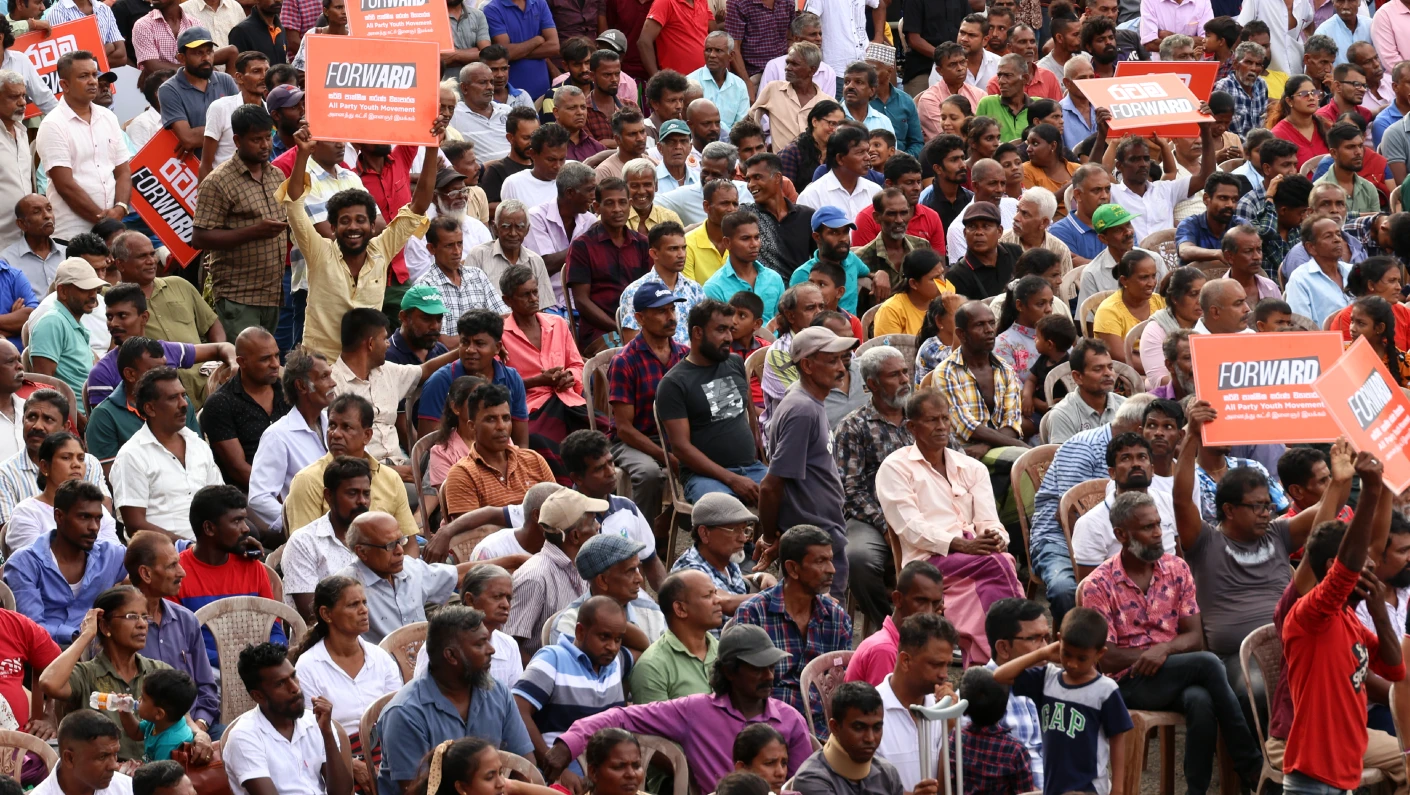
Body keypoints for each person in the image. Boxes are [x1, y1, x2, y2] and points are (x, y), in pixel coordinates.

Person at [1078, 490, 1264, 794]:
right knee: (1208, 663)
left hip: (1172, 672)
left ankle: (1196, 791)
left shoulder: (1176, 569)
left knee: (1201, 701)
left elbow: (1194, 636)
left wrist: (1162, 650)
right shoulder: (1100, 584)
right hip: (1126, 684)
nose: (1157, 534)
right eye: (1147, 527)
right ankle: (1251, 766)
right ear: (1121, 534)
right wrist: (1147, 656)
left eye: (1159, 525)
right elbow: (1106, 658)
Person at [541, 624, 814, 794]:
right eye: (758, 669)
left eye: (771, 667)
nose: (769, 676)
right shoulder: (695, 711)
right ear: (730, 671)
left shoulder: (790, 719)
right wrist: (569, 743)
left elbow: (802, 783)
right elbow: (621, 717)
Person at [875, 388, 1022, 663]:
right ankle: (1019, 643)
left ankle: (985, 663)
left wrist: (996, 538)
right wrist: (962, 544)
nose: (941, 426)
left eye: (945, 418)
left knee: (997, 569)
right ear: (912, 427)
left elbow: (989, 520)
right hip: (928, 560)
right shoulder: (895, 468)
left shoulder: (971, 467)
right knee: (1002, 564)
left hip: (977, 556)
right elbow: (910, 527)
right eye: (932, 420)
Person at [280, 118, 441, 361]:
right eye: (345, 221)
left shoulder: (381, 249)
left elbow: (418, 205)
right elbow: (293, 206)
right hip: (322, 373)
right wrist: (302, 154)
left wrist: (432, 146)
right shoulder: (319, 251)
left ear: (372, 223)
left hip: (367, 372)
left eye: (360, 220)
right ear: (333, 227)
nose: (353, 227)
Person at [39, 586, 212, 762]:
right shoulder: (86, 674)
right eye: (132, 617)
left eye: (145, 617)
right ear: (105, 626)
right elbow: (48, 683)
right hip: (107, 776)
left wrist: (199, 734)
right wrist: (87, 635)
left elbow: (184, 717)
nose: (142, 624)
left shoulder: (158, 671)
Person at [377, 605, 534, 794]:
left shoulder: (497, 692)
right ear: (451, 655)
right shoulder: (405, 713)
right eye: (480, 643)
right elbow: (418, 791)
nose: (491, 650)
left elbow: (524, 767)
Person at [991, 609, 1133, 795]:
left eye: (1082, 658)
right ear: (1059, 641)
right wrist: (1042, 653)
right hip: (1053, 786)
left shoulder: (1105, 690)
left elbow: (1117, 739)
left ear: (1099, 653)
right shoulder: (1047, 678)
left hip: (1088, 787)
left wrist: (1118, 788)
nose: (1072, 663)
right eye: (1066, 654)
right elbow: (999, 676)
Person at [734, 525, 852, 736]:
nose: (832, 569)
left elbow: (842, 687)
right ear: (793, 569)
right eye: (820, 561)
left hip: (824, 732)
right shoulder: (753, 615)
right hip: (767, 732)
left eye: (830, 560)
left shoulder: (837, 618)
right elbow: (740, 691)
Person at [291, 575, 402, 789]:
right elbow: (310, 734)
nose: (364, 610)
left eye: (364, 603)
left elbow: (395, 716)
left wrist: (386, 765)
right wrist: (351, 765)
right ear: (326, 614)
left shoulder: (380, 658)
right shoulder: (308, 666)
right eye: (353, 605)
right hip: (333, 760)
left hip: (384, 752)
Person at [833, 346, 916, 626]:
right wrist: (888, 525)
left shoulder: (922, 417)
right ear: (872, 384)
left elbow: (955, 461)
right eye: (894, 375)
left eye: (905, 371)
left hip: (925, 507)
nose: (905, 379)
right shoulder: (853, 427)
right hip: (872, 516)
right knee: (858, 558)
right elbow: (851, 492)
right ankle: (891, 627)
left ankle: (951, 626)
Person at [656, 299, 767, 504]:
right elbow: (680, 448)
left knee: (796, 498)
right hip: (705, 478)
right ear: (698, 333)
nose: (729, 337)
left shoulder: (733, 363)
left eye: (730, 330)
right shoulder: (674, 383)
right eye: (721, 330)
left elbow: (745, 417)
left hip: (751, 468)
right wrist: (732, 479)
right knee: (722, 509)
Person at [221, 642, 353, 795]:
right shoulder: (244, 737)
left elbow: (342, 792)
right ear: (258, 695)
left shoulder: (315, 722)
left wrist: (327, 733)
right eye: (280, 683)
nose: (295, 688)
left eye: (293, 676)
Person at [283, 393, 419, 538]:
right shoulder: (307, 480)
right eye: (332, 425)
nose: (335, 434)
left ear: (367, 435)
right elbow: (303, 547)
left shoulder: (390, 478)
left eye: (346, 427)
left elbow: (409, 542)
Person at [123, 532, 220, 734]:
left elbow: (207, 690)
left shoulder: (186, 620)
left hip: (195, 729)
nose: (182, 572)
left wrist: (199, 728)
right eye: (171, 566)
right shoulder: (119, 626)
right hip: (144, 737)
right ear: (146, 574)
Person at [108, 368, 221, 541]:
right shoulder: (132, 456)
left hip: (211, 548)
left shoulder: (198, 445)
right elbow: (135, 526)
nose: (184, 404)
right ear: (150, 409)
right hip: (162, 556)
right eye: (172, 398)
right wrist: (188, 548)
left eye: (183, 396)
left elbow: (221, 502)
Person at [34, 52, 131, 243]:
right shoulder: (53, 125)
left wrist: (120, 208)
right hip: (72, 235)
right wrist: (105, 222)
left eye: (94, 75)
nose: (93, 81)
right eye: (83, 76)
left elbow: (123, 172)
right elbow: (65, 186)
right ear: (65, 85)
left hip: (112, 233)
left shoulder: (108, 117)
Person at [502, 488, 604, 655]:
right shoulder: (535, 577)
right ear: (575, 536)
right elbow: (510, 648)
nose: (598, 525)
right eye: (593, 521)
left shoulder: (584, 566)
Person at [246, 349, 333, 535]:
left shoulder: (336, 425)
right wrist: (300, 524)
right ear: (302, 386)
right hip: (312, 534)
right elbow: (259, 497)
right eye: (324, 377)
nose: (332, 383)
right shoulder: (277, 435)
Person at [6, 432, 119, 555]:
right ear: (44, 467)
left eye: (81, 458)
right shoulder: (27, 513)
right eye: (66, 457)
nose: (76, 464)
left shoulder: (97, 510)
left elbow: (113, 556)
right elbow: (33, 563)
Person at [790, 682, 905, 795]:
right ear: (835, 727)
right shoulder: (811, 780)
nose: (870, 738)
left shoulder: (888, 774)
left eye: (877, 728)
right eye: (859, 728)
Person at [844, 561, 945, 687]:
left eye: (935, 603)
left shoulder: (909, 643)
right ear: (897, 599)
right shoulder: (884, 650)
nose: (929, 612)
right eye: (921, 601)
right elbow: (885, 706)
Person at [632, 569, 724, 703]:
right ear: (680, 609)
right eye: (708, 595)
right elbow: (654, 723)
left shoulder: (724, 652)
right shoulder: (652, 667)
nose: (719, 600)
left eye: (715, 593)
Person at [670, 492, 764, 615]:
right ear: (704, 533)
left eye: (744, 530)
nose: (743, 538)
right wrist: (776, 595)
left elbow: (725, 586)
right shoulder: (688, 570)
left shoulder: (726, 560)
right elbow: (726, 603)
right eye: (734, 530)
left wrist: (759, 577)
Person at [30, 711, 132, 795]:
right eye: (102, 757)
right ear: (69, 758)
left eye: (115, 754)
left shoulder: (129, 789)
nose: (114, 765)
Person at [1285, 214, 1353, 325]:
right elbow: (1301, 327)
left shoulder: (1352, 271)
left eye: (1338, 234)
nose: (1337, 240)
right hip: (1324, 341)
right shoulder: (1300, 279)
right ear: (1311, 247)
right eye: (1328, 236)